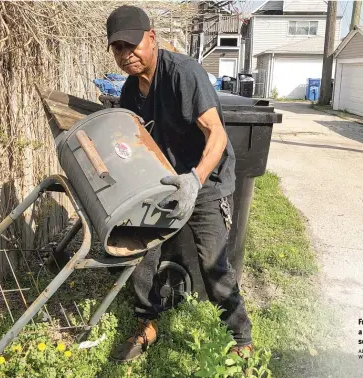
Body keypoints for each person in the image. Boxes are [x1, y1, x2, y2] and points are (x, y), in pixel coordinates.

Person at [105, 5, 253, 362]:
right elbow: (139, 145)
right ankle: (147, 323)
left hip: (205, 179)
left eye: (132, 45)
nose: (126, 55)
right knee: (142, 251)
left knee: (213, 263)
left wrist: (195, 179)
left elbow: (216, 133)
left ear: (151, 38)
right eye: (118, 49)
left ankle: (241, 338)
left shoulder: (184, 74)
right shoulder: (130, 92)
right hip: (165, 181)